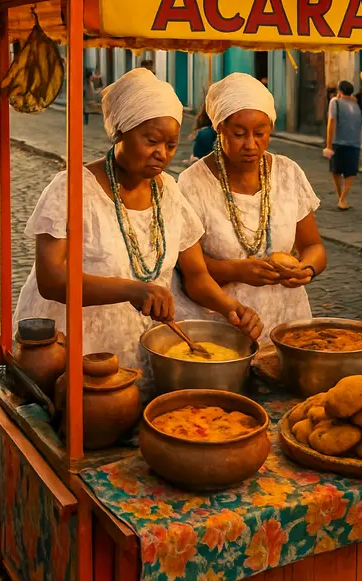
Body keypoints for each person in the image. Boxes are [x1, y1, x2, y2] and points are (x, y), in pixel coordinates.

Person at [14, 68, 262, 377]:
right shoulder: (73, 189)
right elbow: (51, 279)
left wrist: (229, 307)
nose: (161, 154)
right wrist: (132, 290)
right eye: (151, 141)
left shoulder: (170, 193)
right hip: (77, 346)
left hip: (144, 345)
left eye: (171, 145)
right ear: (120, 132)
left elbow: (196, 274)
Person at [174, 72, 326, 335]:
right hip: (224, 322)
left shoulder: (288, 173)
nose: (251, 144)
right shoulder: (193, 183)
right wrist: (237, 271)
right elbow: (188, 269)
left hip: (287, 319)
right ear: (219, 127)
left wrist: (306, 269)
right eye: (239, 134)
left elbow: (313, 245)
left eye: (260, 133)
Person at [324, 80, 362, 210]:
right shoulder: (356, 105)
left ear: (339, 91)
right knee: (350, 172)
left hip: (338, 142)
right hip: (355, 142)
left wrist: (328, 144)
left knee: (336, 170)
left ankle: (341, 198)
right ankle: (343, 198)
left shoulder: (335, 102)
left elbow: (331, 122)